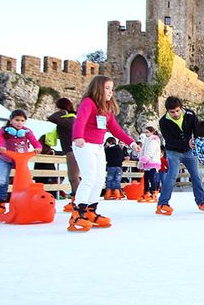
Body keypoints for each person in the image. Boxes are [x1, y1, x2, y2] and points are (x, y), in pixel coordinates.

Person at [70, 75, 139, 231]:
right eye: (107, 88)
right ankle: (77, 213)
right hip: (84, 144)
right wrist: (78, 136)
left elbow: (116, 129)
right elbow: (80, 120)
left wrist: (132, 142)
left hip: (98, 147)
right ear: (98, 88)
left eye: (112, 89)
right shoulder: (88, 103)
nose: (110, 92)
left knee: (99, 179)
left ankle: (90, 211)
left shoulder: (106, 109)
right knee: (89, 177)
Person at [155, 96, 204, 216]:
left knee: (196, 175)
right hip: (173, 151)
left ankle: (201, 201)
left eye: (177, 111)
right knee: (172, 176)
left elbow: (196, 130)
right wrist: (187, 142)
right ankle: (163, 203)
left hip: (189, 151)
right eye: (172, 112)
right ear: (167, 111)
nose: (175, 114)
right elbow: (169, 140)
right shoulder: (163, 121)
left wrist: (199, 140)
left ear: (181, 108)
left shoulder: (190, 114)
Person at [0, 109, 42, 219]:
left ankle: (28, 201)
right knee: (3, 180)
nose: (19, 123)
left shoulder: (27, 131)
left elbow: (35, 141)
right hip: (6, 158)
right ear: (11, 120)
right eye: (17, 120)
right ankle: (1, 204)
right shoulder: (4, 131)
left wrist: (38, 147)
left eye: (22, 121)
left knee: (26, 180)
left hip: (21, 159)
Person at [47, 98, 80, 200]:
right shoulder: (70, 119)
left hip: (72, 151)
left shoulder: (70, 120)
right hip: (70, 150)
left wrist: (63, 111)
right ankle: (76, 199)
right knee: (72, 177)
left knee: (73, 177)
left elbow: (52, 117)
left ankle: (80, 201)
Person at [139, 126, 162, 202]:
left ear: (152, 132)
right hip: (147, 163)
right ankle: (146, 192)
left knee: (152, 178)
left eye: (147, 132)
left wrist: (145, 158)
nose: (146, 134)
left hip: (152, 162)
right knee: (146, 178)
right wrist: (141, 160)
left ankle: (154, 193)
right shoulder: (146, 141)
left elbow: (151, 151)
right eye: (145, 132)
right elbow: (143, 151)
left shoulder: (153, 141)